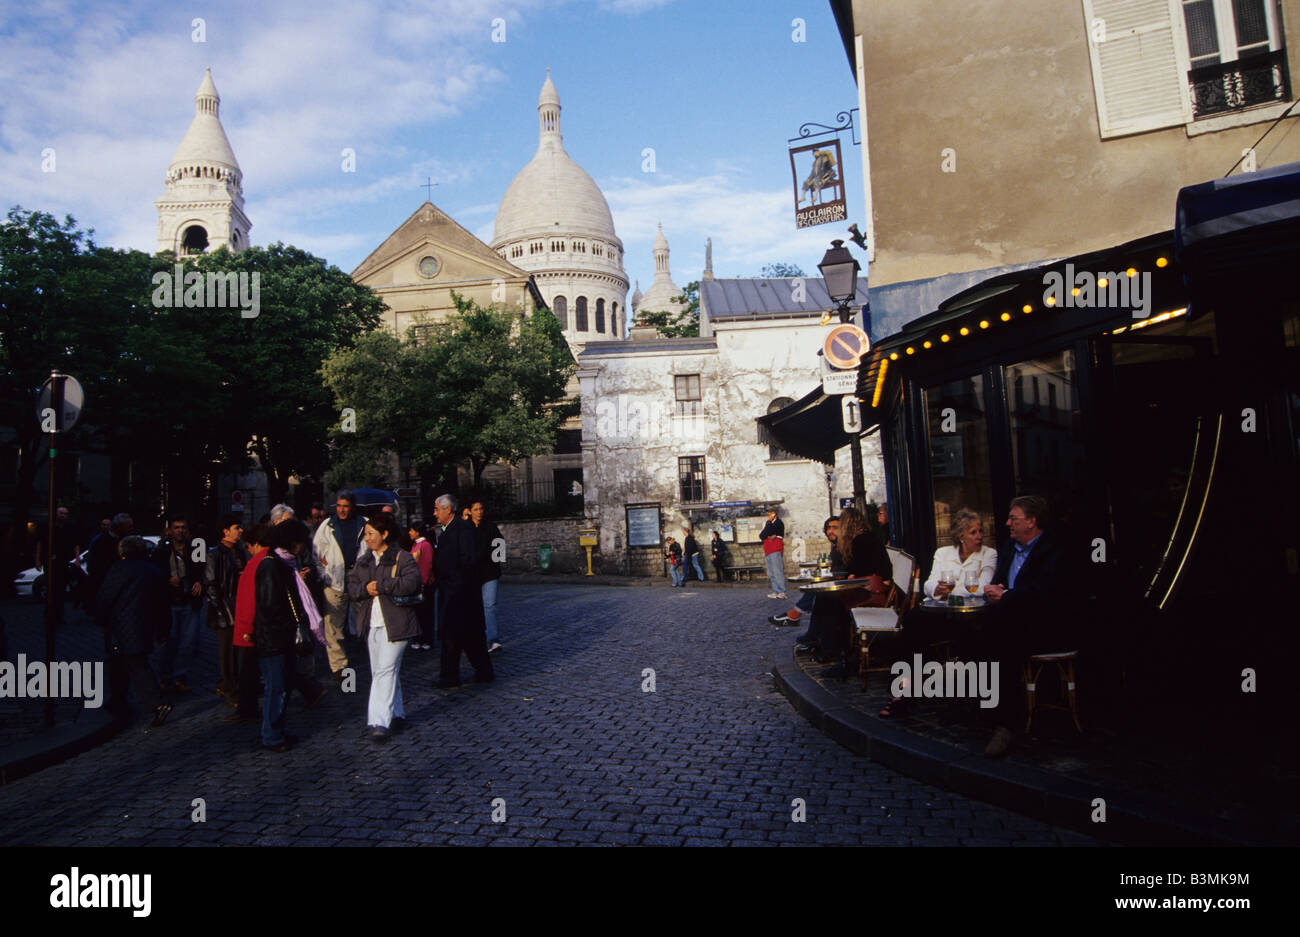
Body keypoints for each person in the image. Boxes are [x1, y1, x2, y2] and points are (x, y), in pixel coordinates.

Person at [975, 495, 1076, 758]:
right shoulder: (1009, 548)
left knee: (1002, 640)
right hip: (1009, 619)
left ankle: (1006, 724)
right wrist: (994, 589)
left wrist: (1007, 597)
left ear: (1032, 522)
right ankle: (986, 706)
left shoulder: (1054, 551)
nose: (1008, 523)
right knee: (976, 631)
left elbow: (1047, 593)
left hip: (1045, 625)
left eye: (1014, 518)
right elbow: (1001, 581)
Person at [877, 508, 997, 718]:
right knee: (912, 624)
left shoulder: (989, 554)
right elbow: (929, 583)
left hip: (972, 618)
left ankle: (964, 696)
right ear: (961, 536)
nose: (979, 537)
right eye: (973, 532)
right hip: (943, 614)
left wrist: (949, 589)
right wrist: (936, 589)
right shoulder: (943, 553)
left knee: (972, 637)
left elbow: (981, 588)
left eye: (980, 532)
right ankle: (903, 692)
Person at [348, 513, 422, 741]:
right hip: (373, 623)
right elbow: (352, 586)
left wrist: (382, 585)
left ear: (385, 534)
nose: (367, 538)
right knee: (382, 670)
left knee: (385, 671)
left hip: (397, 623)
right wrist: (365, 590)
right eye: (366, 534)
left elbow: (412, 582)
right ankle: (396, 714)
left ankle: (379, 721)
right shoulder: (364, 560)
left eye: (371, 533)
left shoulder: (402, 557)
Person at [254, 520, 325, 752]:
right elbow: (268, 607)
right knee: (275, 688)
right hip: (274, 639)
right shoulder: (271, 565)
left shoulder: (284, 564)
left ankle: (277, 731)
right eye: (300, 541)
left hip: (281, 637)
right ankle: (271, 736)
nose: (303, 546)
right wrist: (290, 626)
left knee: (282, 686)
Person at [96, 536, 172, 728]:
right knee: (125, 664)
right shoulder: (154, 571)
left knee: (134, 666)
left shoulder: (119, 570)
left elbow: (106, 597)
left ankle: (157, 704)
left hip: (122, 626)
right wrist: (163, 629)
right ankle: (118, 700)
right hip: (145, 625)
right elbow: (163, 604)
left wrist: (101, 618)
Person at [433, 494, 493, 688]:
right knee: (464, 637)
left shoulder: (462, 529)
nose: (434, 514)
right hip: (454, 592)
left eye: (437, 509)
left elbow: (468, 561)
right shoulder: (450, 529)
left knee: (458, 636)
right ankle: (476, 672)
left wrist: (456, 588)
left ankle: (452, 677)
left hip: (460, 594)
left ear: (447, 509)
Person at [313, 491, 366, 683]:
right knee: (333, 625)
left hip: (358, 578)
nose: (342, 509)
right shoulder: (327, 526)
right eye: (339, 505)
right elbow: (316, 553)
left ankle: (367, 651)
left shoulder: (364, 523)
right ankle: (340, 667)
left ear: (352, 506)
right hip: (334, 579)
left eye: (346, 506)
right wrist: (323, 575)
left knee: (365, 619)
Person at [152, 515, 206, 694]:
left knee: (188, 642)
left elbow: (203, 568)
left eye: (183, 527)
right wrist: (167, 580)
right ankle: (165, 676)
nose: (180, 531)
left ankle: (180, 676)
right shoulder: (162, 550)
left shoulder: (196, 548)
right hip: (169, 601)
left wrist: (199, 581)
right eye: (176, 527)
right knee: (170, 641)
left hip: (189, 599)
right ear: (170, 530)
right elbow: (154, 572)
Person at [227, 523, 269, 724]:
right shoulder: (265, 561)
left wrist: (248, 628)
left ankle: (247, 709)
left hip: (248, 626)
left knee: (247, 671)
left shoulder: (257, 563)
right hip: (254, 624)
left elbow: (250, 600)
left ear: (254, 544)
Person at [204, 515, 246, 705]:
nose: (240, 531)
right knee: (227, 652)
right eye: (237, 527)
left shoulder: (240, 551)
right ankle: (230, 688)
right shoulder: (214, 554)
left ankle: (229, 683)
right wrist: (220, 609)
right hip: (225, 607)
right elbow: (211, 584)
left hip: (240, 604)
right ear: (225, 531)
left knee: (239, 650)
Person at [771, 516, 841, 627]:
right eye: (828, 528)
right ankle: (808, 630)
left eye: (835, 528)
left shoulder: (843, 546)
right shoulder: (836, 546)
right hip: (836, 583)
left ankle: (795, 615)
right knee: (817, 591)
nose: (830, 531)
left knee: (819, 593)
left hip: (843, 585)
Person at [34, 505, 80, 623]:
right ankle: (49, 613)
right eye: (61, 513)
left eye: (65, 514)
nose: (63, 516)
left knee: (61, 589)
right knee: (50, 587)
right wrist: (38, 560)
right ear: (56, 514)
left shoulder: (69, 528)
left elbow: (75, 543)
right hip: (49, 561)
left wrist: (77, 559)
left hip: (63, 561)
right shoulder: (47, 527)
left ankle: (59, 615)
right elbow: (39, 543)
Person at [470, 500, 505, 653]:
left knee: (489, 606)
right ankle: (476, 639)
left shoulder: (490, 527)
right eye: (476, 509)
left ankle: (493, 639)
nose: (479, 512)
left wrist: (496, 564)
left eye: (481, 509)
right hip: (472, 574)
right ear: (470, 511)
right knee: (473, 608)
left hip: (489, 573)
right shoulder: (466, 529)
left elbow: (500, 545)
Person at [86, 513, 133, 612]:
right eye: (128, 526)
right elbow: (95, 565)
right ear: (120, 527)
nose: (131, 529)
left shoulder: (127, 541)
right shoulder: (101, 542)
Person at [407, 521, 436, 651]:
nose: (409, 533)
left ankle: (427, 639)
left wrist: (423, 583)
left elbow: (427, 566)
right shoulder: (415, 545)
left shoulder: (425, 545)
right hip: (416, 585)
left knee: (426, 614)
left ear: (417, 532)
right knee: (417, 614)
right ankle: (418, 638)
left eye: (411, 530)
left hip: (424, 585)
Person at [760, 507, 787, 599]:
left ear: (775, 513)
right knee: (771, 573)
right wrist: (768, 527)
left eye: (770, 512)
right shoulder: (769, 524)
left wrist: (768, 525)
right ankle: (776, 591)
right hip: (768, 550)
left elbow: (771, 531)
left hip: (775, 549)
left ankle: (782, 591)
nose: (768, 514)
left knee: (777, 571)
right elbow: (762, 535)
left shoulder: (778, 523)